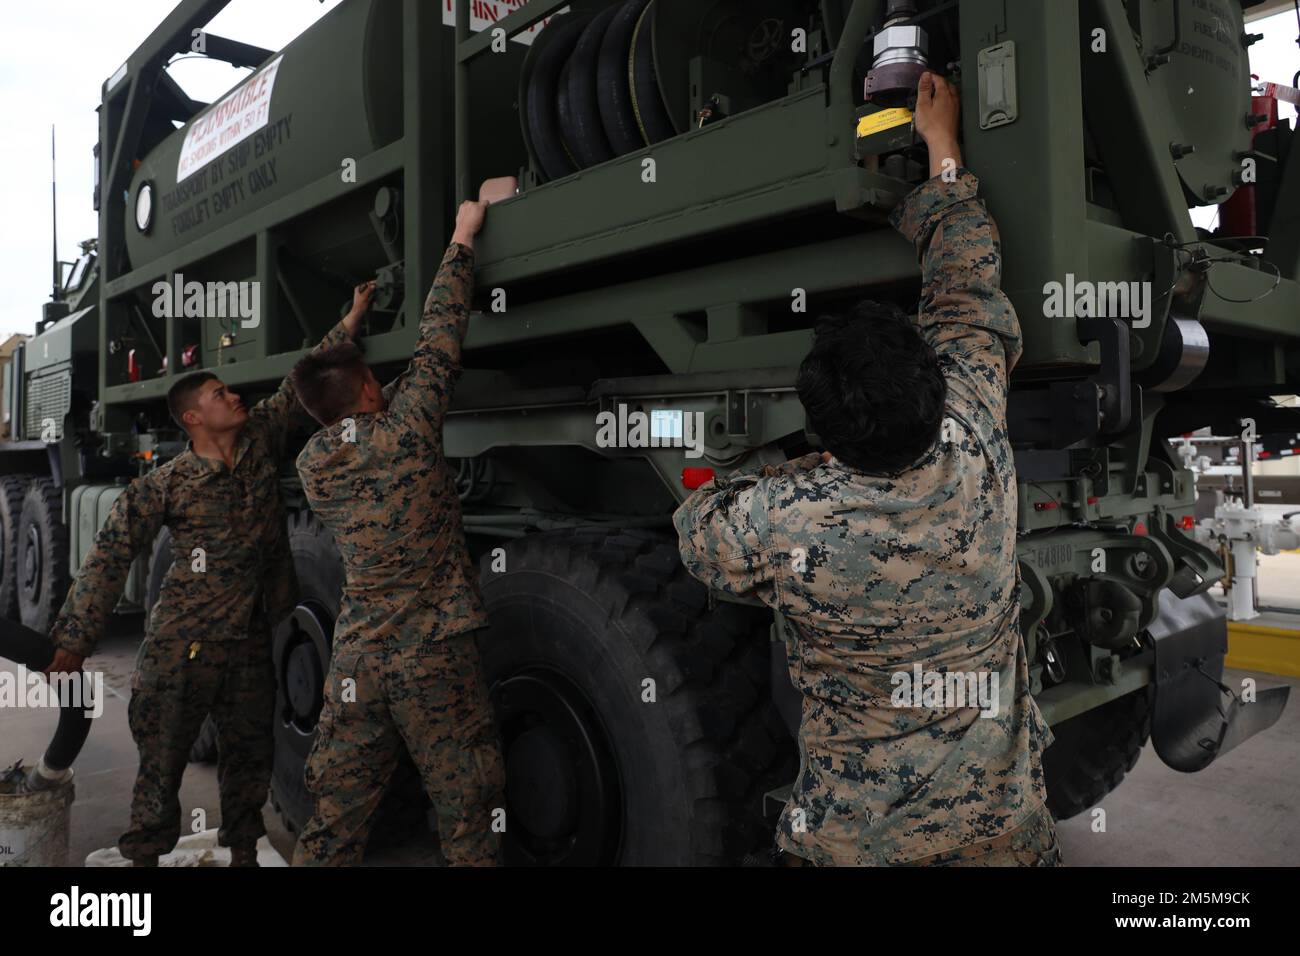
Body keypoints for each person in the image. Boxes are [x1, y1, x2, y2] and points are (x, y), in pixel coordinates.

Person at [673, 73, 1058, 866]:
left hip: (857, 848)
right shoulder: (977, 433)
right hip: (1006, 838)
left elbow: (697, 534)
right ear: (932, 384)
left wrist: (754, 463)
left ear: (827, 433)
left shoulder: (786, 518)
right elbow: (965, 283)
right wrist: (943, 149)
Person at [44, 281, 378, 866]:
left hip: (250, 641)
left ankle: (243, 851)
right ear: (196, 417)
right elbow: (109, 556)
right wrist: (74, 639)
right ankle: (143, 860)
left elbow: (297, 385)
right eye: (221, 394)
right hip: (183, 646)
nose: (234, 398)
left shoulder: (261, 442)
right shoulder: (166, 485)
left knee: (250, 759)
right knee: (162, 765)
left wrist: (348, 322)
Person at [287, 192, 507, 866]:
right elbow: (440, 334)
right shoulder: (408, 430)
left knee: (334, 812)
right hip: (434, 654)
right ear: (373, 391)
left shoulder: (312, 464)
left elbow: (315, 387)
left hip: (359, 656)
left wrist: (350, 323)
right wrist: (465, 231)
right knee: (468, 809)